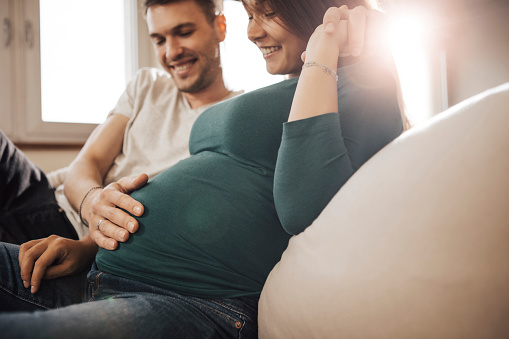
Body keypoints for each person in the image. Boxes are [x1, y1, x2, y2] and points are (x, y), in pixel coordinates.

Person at [0, 0, 406, 337]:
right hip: (94, 271)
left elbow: (304, 206)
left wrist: (324, 50)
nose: (253, 32)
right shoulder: (290, 90)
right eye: (250, 15)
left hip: (187, 301)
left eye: (267, 12)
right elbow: (193, 177)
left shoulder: (357, 86)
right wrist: (88, 244)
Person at [0, 0, 239, 249]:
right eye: (159, 40)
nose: (171, 52)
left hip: (73, 238)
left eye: (184, 33)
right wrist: (93, 204)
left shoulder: (238, 118)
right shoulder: (147, 84)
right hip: (48, 196)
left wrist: (93, 234)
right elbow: (86, 163)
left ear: (220, 26)